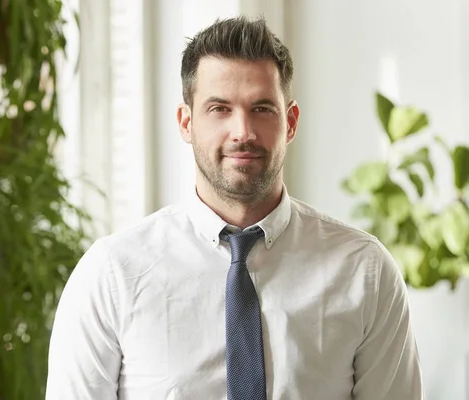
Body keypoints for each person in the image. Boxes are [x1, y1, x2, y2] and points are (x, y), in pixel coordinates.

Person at [45, 15, 423, 400]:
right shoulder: (111, 276)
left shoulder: (366, 272)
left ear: (290, 123)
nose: (242, 131)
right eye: (219, 109)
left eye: (261, 108)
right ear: (185, 122)